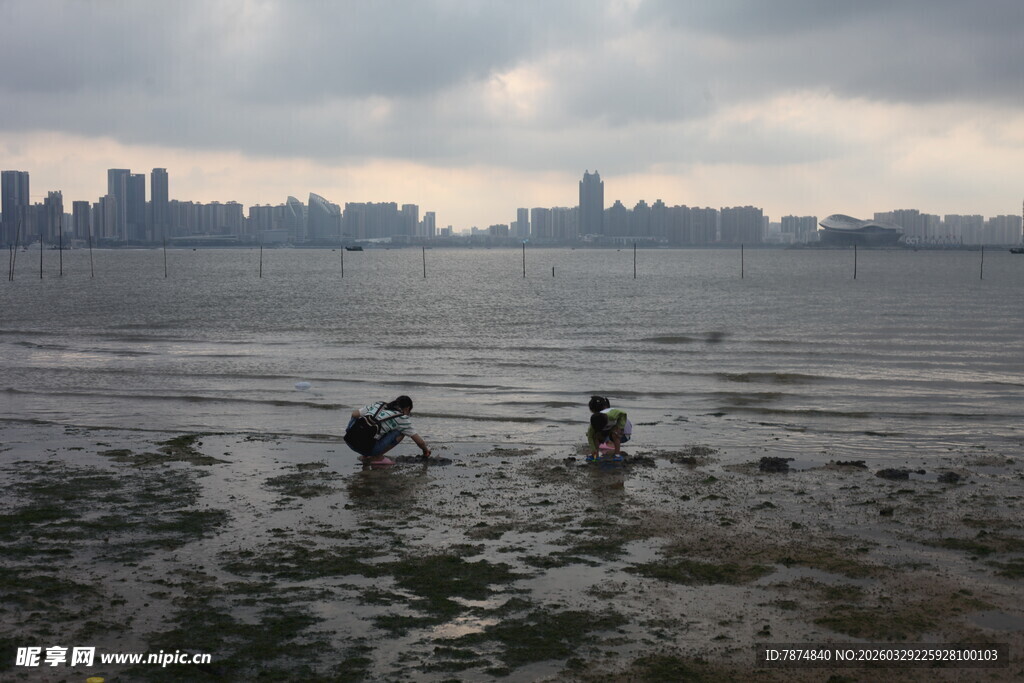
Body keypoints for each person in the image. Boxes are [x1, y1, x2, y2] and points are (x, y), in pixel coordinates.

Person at [345, 395, 431, 466]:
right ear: (407, 408)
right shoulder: (402, 418)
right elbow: (420, 442)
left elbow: (354, 414)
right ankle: (377, 457)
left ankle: (365, 455)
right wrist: (425, 450)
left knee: (363, 420)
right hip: (368, 449)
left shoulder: (379, 404)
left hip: (350, 440)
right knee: (400, 432)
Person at [586, 396, 632, 461]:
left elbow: (623, 414)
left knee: (615, 433)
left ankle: (617, 455)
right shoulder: (594, 424)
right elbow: (590, 437)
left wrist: (619, 428)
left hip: (623, 434)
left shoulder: (611, 415)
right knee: (595, 436)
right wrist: (593, 449)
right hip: (611, 431)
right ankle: (595, 455)